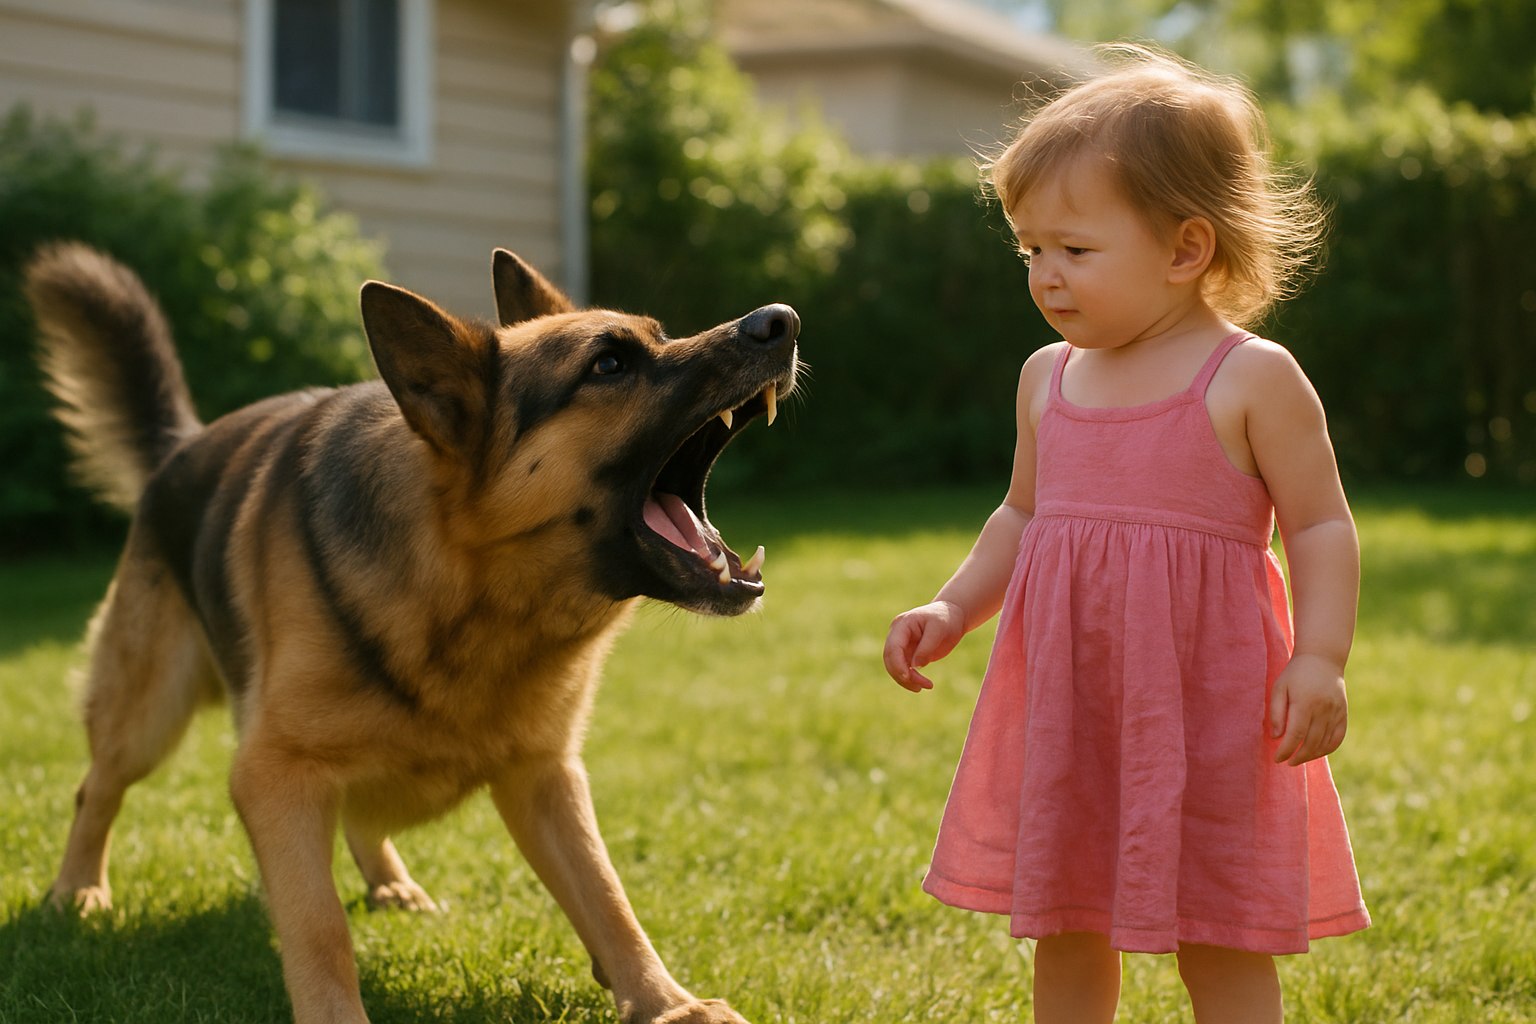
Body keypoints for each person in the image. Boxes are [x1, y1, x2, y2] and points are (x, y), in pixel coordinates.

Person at [882, 43, 1369, 1024]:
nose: (1046, 277)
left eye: (1074, 250)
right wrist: (954, 604)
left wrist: (1320, 657)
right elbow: (1022, 513)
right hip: (1076, 701)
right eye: (1029, 251)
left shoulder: (1249, 376)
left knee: (1218, 925)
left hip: (1209, 708)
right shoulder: (1044, 378)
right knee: (1064, 914)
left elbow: (1320, 523)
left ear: (1187, 249)